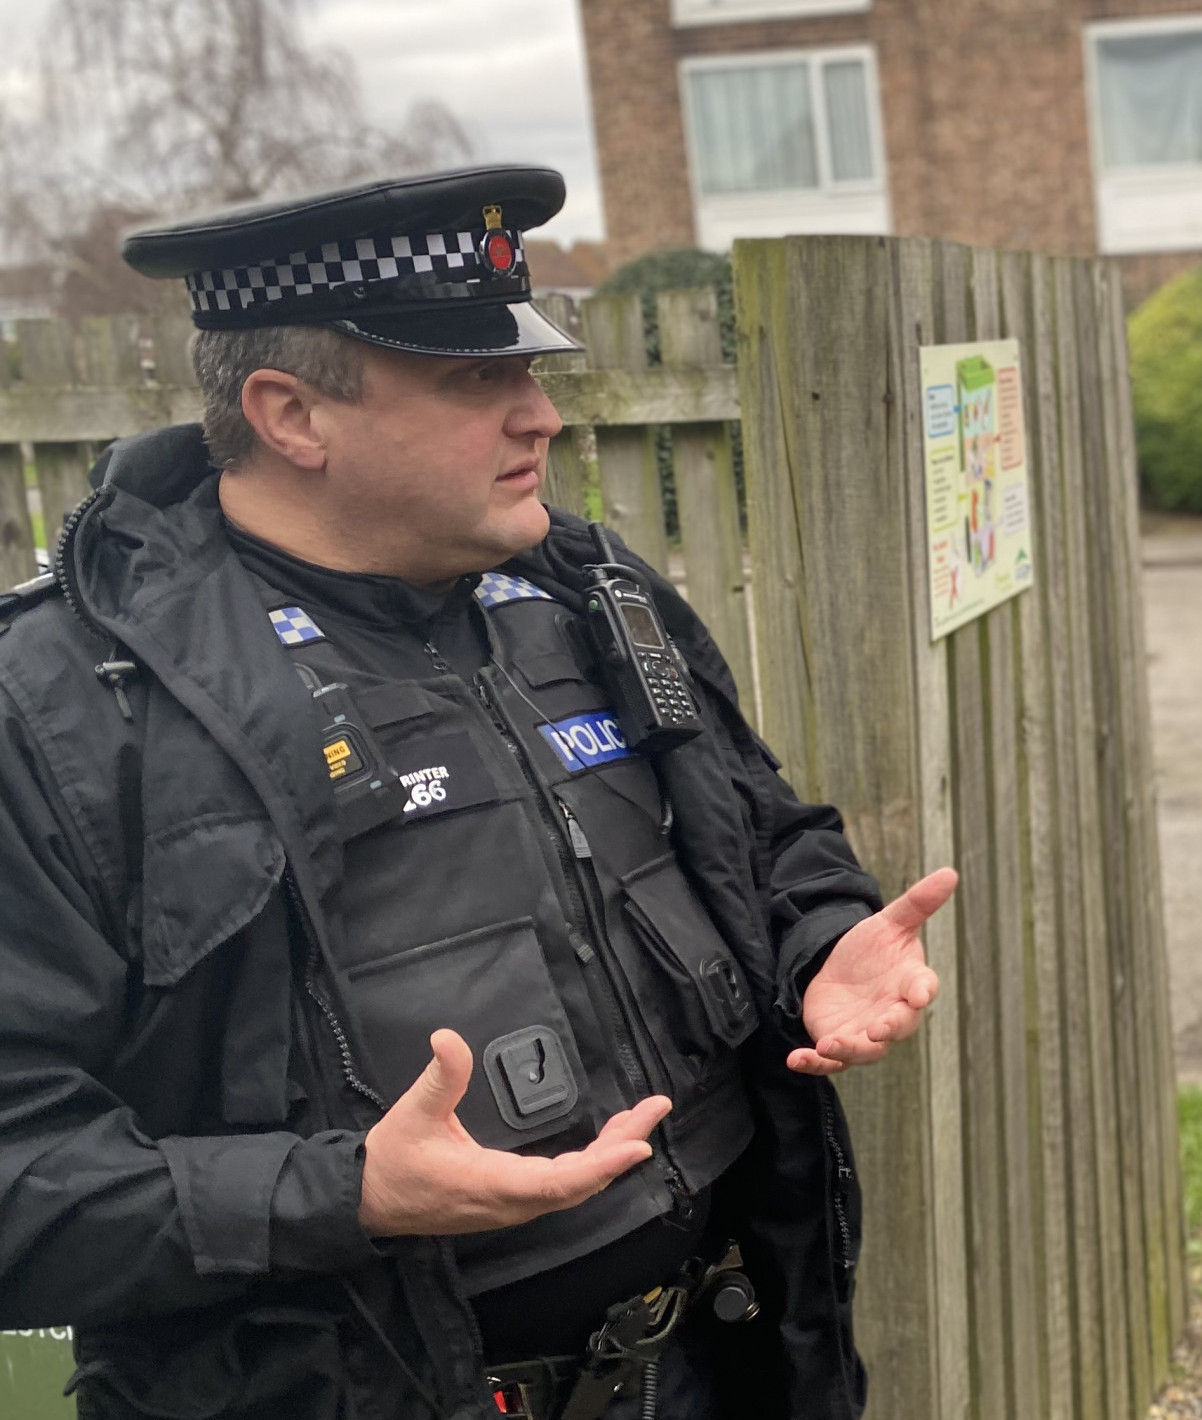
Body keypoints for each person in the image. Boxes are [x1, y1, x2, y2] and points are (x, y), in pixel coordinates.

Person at [0, 165, 953, 1420]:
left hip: (718, 1358)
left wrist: (820, 941)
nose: (540, 417)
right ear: (292, 414)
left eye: (533, 370)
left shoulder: (590, 593)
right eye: (476, 379)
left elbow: (761, 838)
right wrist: (344, 1194)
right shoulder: (68, 706)